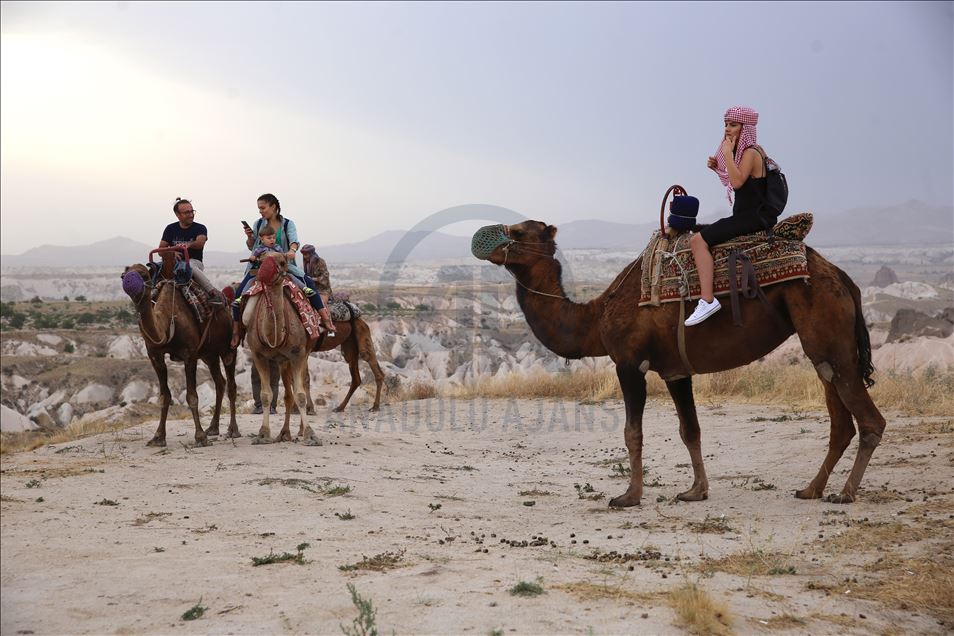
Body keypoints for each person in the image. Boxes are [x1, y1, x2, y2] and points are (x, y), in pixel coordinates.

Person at [686, 106, 783, 326]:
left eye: (733, 125)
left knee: (697, 241)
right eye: (726, 124)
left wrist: (728, 154)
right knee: (703, 230)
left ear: (745, 128)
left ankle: (707, 300)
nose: (727, 129)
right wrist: (717, 168)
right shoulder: (755, 150)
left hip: (750, 218)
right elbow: (737, 179)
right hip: (752, 216)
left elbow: (737, 183)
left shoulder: (750, 152)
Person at [239, 194, 335, 331]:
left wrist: (292, 250)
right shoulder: (258, 224)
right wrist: (249, 236)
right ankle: (236, 331)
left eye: (262, 208)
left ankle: (325, 319)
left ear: (273, 207)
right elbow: (252, 246)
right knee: (239, 294)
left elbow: (294, 241)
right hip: (260, 267)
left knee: (309, 284)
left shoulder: (288, 224)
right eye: (259, 208)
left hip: (283, 266)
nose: (260, 211)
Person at [159, 197, 225, 305]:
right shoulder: (170, 229)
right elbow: (161, 250)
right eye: (187, 212)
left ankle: (212, 292)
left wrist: (188, 245)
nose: (191, 215)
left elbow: (200, 243)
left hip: (194, 262)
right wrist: (171, 252)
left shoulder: (200, 228)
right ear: (178, 215)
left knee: (189, 266)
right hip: (173, 263)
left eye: (192, 211)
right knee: (155, 268)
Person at [300, 244, 332, 309]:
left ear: (311, 254)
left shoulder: (320, 261)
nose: (305, 257)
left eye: (306, 254)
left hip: (323, 290)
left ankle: (327, 315)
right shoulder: (306, 264)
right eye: (304, 255)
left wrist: (313, 279)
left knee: (322, 306)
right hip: (312, 289)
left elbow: (325, 277)